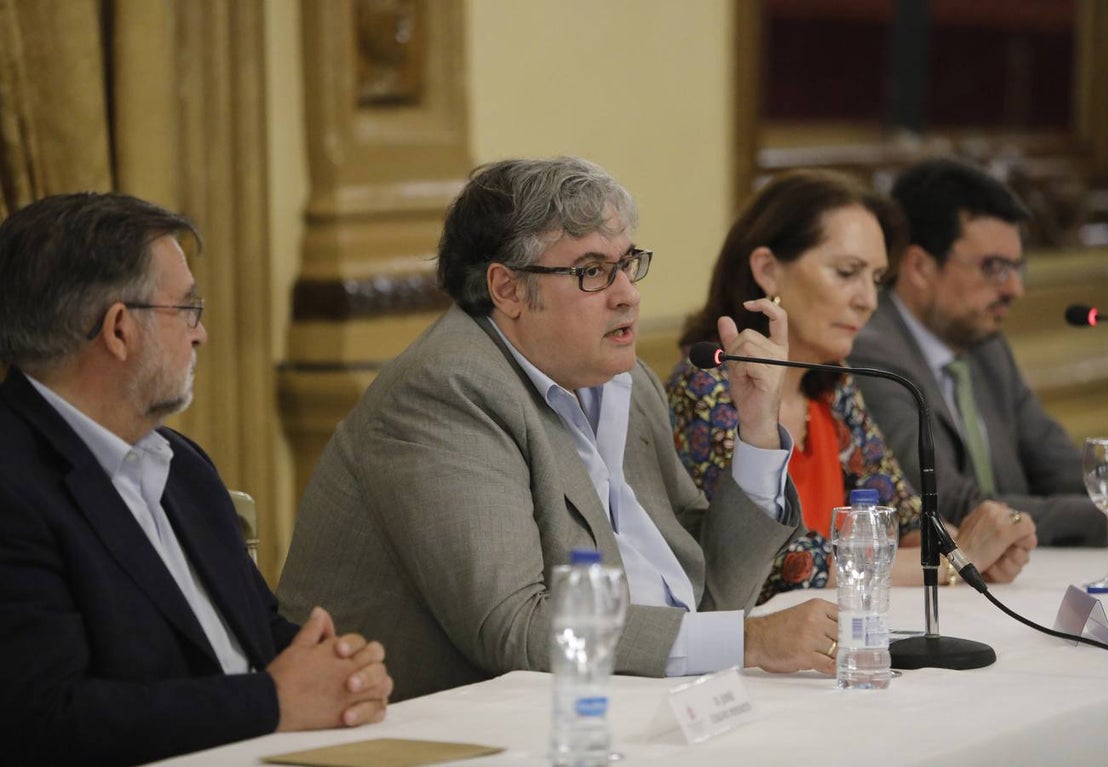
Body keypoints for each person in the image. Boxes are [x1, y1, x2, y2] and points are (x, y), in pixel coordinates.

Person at [277, 157, 840, 702]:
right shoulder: (445, 392)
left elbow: (706, 589)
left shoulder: (625, 381)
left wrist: (758, 430)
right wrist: (744, 642)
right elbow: (514, 626)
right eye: (592, 271)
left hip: (613, 704)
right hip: (428, 735)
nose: (628, 294)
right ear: (508, 289)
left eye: (627, 264)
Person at [0, 193, 393, 767]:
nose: (200, 334)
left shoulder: (181, 466)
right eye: (186, 309)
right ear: (118, 329)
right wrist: (273, 701)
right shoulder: (13, 485)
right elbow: (47, 720)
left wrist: (341, 673)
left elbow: (254, 632)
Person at [668, 169, 1037, 602]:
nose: (868, 300)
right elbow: (773, 565)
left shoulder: (831, 386)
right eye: (847, 272)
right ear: (768, 270)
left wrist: (976, 548)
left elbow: (903, 517)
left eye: (877, 279)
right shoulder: (706, 389)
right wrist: (950, 563)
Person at [848, 158, 1107, 547]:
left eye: (1018, 268)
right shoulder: (871, 353)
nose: (1014, 289)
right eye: (995, 268)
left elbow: (1060, 467)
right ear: (919, 266)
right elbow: (945, 503)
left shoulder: (986, 347)